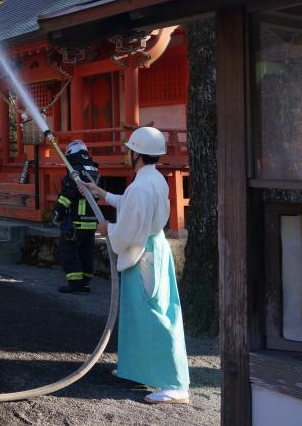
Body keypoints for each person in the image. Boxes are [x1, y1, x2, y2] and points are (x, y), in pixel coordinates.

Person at [84, 126, 190, 404]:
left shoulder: (142, 185)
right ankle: (138, 368)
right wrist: (103, 194)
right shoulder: (152, 180)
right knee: (140, 313)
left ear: (136, 154)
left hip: (144, 253)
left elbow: (130, 227)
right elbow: (133, 206)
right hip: (151, 248)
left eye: (130, 149)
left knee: (155, 314)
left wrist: (109, 228)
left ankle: (175, 382)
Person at [53, 140, 101, 294]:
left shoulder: (74, 171)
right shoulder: (94, 170)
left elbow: (68, 195)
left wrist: (57, 212)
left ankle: (74, 283)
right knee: (86, 252)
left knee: (69, 251)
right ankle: (85, 283)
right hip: (91, 220)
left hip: (74, 221)